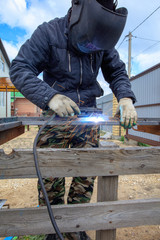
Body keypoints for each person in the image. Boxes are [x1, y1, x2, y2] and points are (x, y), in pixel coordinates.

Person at [10, 0, 137, 239]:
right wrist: (50, 97)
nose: (91, 47)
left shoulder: (103, 37)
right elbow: (19, 68)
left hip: (88, 118)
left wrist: (126, 98)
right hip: (55, 118)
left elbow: (117, 72)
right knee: (50, 178)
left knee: (85, 177)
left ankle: (75, 229)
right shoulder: (49, 32)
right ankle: (52, 231)